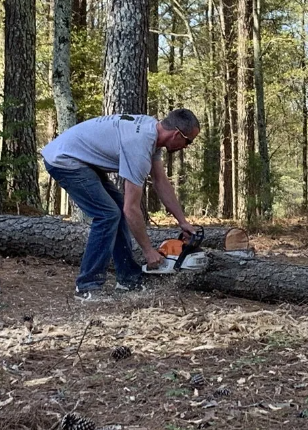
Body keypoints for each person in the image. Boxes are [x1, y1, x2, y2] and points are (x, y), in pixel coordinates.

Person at [41, 109, 199, 301]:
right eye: (188, 141)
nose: (187, 146)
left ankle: (128, 279)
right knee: (108, 214)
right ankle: (87, 286)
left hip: (81, 160)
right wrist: (148, 251)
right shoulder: (139, 147)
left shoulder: (152, 133)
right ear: (176, 134)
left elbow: (160, 181)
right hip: (65, 159)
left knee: (115, 211)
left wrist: (182, 221)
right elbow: (131, 208)